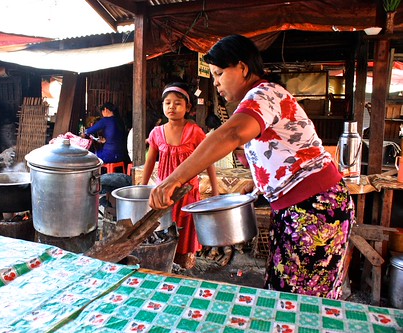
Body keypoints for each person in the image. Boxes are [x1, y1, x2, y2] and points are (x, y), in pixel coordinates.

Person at [148, 35, 355, 299]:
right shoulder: (259, 99)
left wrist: (173, 179)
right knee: (285, 290)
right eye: (213, 75)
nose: (216, 82)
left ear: (243, 68)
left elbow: (231, 134)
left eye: (220, 73)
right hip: (297, 207)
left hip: (314, 207)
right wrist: (259, 184)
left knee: (300, 299)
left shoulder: (264, 93)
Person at [141, 82, 219, 269]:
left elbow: (208, 160)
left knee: (184, 233)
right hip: (163, 194)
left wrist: (215, 191)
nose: (171, 107)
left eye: (177, 103)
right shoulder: (156, 133)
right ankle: (166, 263)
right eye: (167, 103)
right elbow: (150, 162)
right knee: (163, 231)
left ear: (188, 108)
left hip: (187, 194)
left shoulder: (195, 132)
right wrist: (143, 188)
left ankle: (183, 265)